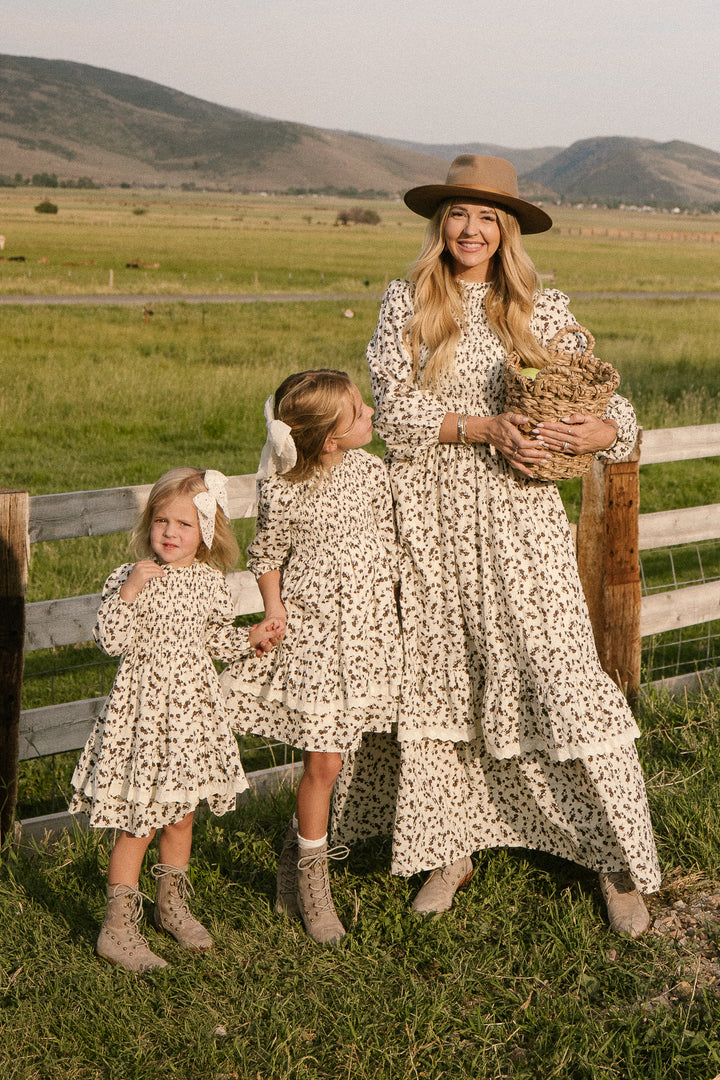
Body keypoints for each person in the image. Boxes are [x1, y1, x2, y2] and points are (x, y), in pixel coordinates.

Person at [351, 155, 661, 936]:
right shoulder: (406, 302)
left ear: (506, 230)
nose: (470, 229)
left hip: (521, 518)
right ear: (440, 223)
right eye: (459, 214)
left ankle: (613, 859)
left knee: (557, 668)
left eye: (488, 218)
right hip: (430, 517)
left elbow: (606, 401)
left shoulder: (540, 306)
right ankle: (450, 845)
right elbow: (394, 414)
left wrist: (603, 429)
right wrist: (482, 426)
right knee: (446, 673)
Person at [69, 467, 283, 971]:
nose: (170, 532)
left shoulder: (211, 584)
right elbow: (111, 640)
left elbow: (217, 641)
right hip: (143, 715)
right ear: (149, 525)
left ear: (206, 532)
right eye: (161, 521)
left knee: (182, 815)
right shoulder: (130, 577)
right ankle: (117, 928)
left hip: (192, 716)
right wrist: (129, 592)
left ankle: (171, 904)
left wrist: (252, 640)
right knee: (139, 820)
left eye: (184, 524)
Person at [221, 370, 403, 944]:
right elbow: (267, 554)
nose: (370, 411)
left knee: (345, 756)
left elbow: (392, 541)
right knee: (323, 764)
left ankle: (288, 859)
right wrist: (273, 610)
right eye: (358, 410)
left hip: (369, 636)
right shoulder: (284, 490)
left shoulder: (373, 473)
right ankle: (314, 883)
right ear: (329, 438)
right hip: (318, 641)